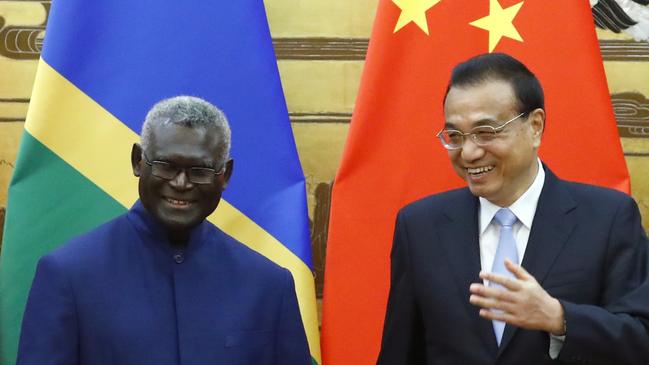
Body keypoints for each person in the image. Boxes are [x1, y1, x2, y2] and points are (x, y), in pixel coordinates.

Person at [376, 53, 649, 364]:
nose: (469, 152)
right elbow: (401, 351)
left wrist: (560, 318)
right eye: (455, 136)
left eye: (486, 133)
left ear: (534, 126)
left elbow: (640, 340)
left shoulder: (608, 218)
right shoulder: (420, 226)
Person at [17, 96, 311, 364]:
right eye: (166, 166)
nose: (181, 183)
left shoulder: (270, 286)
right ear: (137, 161)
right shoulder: (68, 275)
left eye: (199, 171)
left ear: (225, 176)